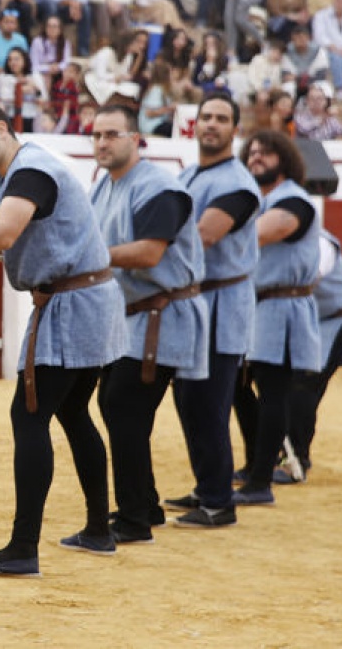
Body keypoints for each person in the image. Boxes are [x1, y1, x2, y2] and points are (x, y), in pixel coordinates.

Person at [0, 101, 128, 571]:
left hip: (73, 304)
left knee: (29, 416)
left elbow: (3, 234)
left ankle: (22, 549)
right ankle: (97, 530)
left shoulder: (30, 171)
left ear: (2, 130)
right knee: (72, 411)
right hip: (79, 300)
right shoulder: (9, 177)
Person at [88, 103, 208, 544]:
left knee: (124, 408)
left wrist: (87, 258)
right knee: (122, 409)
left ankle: (136, 518)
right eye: (97, 135)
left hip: (163, 316)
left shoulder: (160, 187)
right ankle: (145, 506)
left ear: (135, 138)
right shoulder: (104, 186)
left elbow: (149, 253)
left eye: (112, 134)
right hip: (132, 318)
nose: (103, 143)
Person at [162, 91, 260, 528]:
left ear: (235, 129)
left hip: (221, 306)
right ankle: (207, 486)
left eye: (221, 118)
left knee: (209, 403)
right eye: (205, 117)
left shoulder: (238, 184)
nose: (212, 124)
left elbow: (200, 236)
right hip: (194, 301)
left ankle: (219, 501)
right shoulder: (189, 174)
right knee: (189, 400)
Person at [231, 129, 321, 507]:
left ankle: (261, 481)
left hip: (282, 309)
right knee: (241, 387)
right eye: (251, 153)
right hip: (261, 307)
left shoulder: (293, 201)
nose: (256, 158)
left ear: (284, 158)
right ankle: (257, 464)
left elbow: (262, 234)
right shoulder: (265, 200)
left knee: (272, 393)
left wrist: (219, 229)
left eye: (265, 153)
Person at [276, 228, 342, 482]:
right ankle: (283, 457)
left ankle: (296, 459)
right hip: (312, 324)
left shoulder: (321, 243)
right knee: (294, 388)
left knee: (303, 387)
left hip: (338, 323)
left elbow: (307, 280)